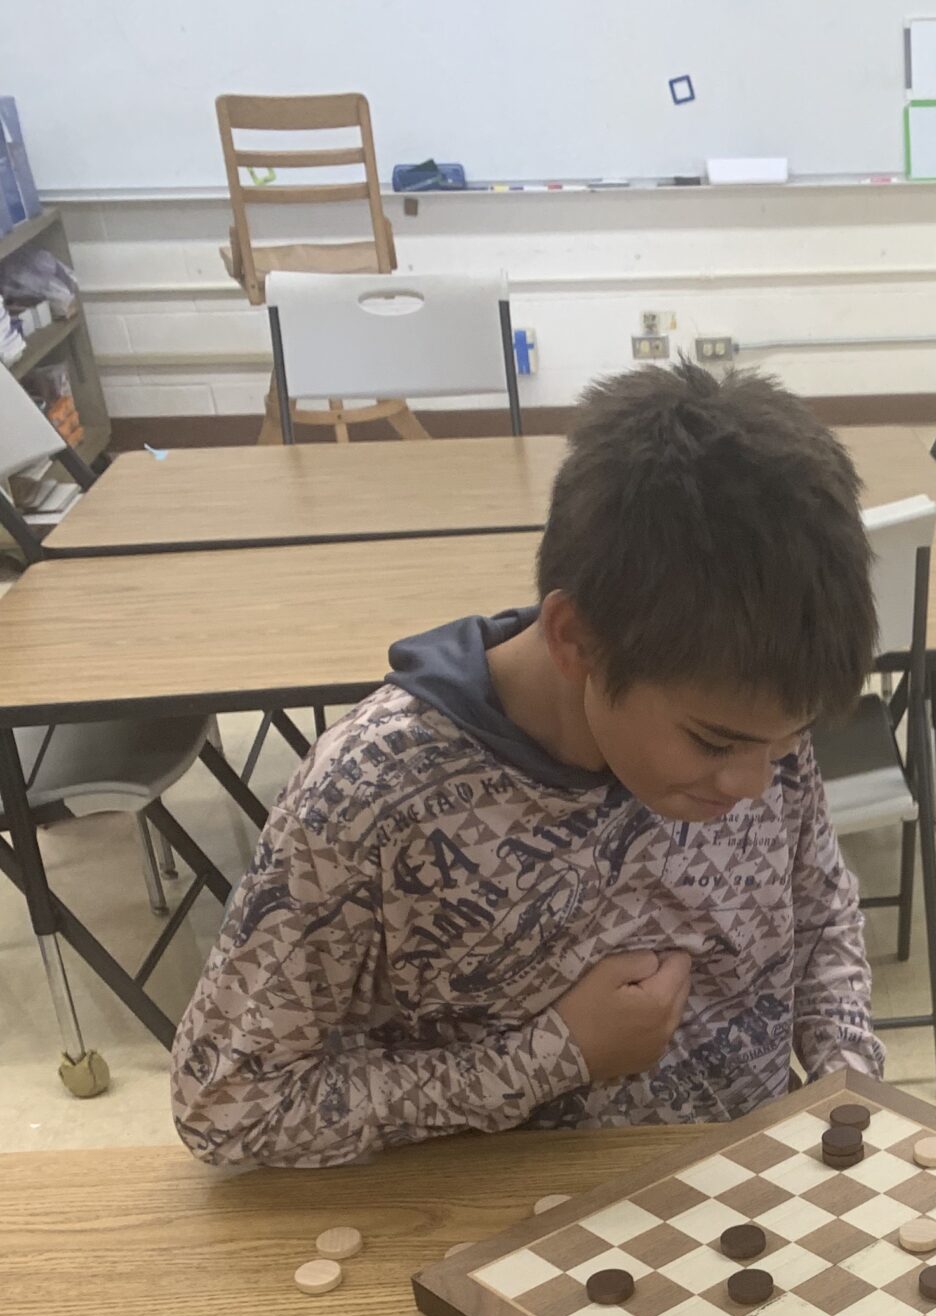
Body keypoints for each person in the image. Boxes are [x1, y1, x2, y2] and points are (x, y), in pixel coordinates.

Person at [173, 360, 883, 1168]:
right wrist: (552, 1056)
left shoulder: (755, 711)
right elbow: (226, 1106)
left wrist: (848, 1076)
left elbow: (820, 913)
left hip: (741, 1196)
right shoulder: (370, 794)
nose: (756, 785)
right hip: (505, 1220)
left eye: (786, 745)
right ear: (575, 639)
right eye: (715, 745)